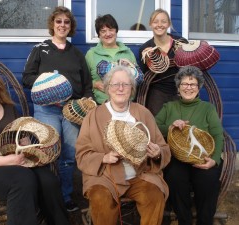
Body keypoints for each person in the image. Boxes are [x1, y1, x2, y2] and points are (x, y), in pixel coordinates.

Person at [0, 69, 70, 225]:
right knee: (22, 179)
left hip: (17, 161)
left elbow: (22, 137)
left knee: (49, 180)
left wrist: (27, 145)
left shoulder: (10, 109)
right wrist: (8, 161)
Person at [75, 66, 171, 225]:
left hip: (140, 175)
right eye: (115, 84)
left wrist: (157, 153)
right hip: (104, 177)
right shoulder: (93, 116)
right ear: (107, 88)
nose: (120, 88)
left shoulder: (143, 113)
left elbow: (163, 147)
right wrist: (104, 157)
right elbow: (82, 153)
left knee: (154, 196)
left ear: (131, 89)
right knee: (100, 199)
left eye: (125, 84)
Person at [22, 6, 93, 212]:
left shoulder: (77, 54)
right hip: (46, 109)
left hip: (71, 111)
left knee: (69, 155)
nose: (62, 25)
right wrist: (49, 82)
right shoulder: (40, 49)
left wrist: (86, 102)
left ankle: (66, 197)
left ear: (71, 27)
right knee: (46, 151)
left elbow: (87, 85)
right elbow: (27, 78)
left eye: (66, 22)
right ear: (52, 25)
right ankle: (45, 198)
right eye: (58, 21)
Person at [155, 66, 224, 225]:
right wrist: (171, 126)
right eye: (184, 84)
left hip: (203, 157)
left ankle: (204, 221)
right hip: (176, 158)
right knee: (174, 178)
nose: (188, 87)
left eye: (192, 84)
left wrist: (214, 159)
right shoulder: (169, 107)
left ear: (199, 88)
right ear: (178, 88)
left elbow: (218, 135)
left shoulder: (207, 108)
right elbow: (154, 126)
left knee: (208, 181)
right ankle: (184, 220)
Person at [138, 8, 188, 116]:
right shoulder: (145, 48)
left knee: (181, 126)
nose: (159, 25)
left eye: (163, 21)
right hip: (157, 93)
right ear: (150, 24)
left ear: (169, 24)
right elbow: (142, 76)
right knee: (159, 126)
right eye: (155, 22)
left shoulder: (180, 43)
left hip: (179, 90)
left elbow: (190, 68)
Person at [86, 14, 138, 105]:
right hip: (101, 104)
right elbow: (83, 80)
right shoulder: (91, 54)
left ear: (116, 31)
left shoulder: (128, 53)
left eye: (111, 30)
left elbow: (137, 77)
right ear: (99, 34)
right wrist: (94, 84)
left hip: (126, 104)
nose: (108, 34)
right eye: (103, 31)